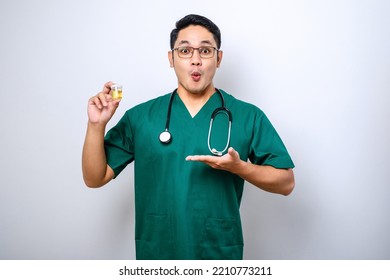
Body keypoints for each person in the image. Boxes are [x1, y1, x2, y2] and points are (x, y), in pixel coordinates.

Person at [82, 14, 295, 260]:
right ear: (171, 58)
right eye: (185, 51)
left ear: (219, 58)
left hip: (217, 254)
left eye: (205, 51)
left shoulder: (248, 116)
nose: (195, 60)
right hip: (158, 253)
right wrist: (96, 125)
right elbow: (94, 177)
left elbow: (286, 183)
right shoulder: (141, 118)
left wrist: (240, 168)